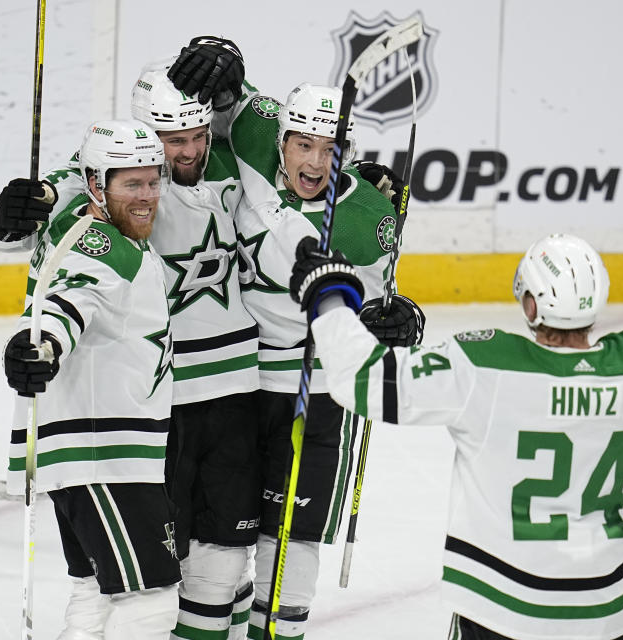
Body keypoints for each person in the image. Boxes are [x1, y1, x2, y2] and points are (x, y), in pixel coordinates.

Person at [283, 232, 623, 640]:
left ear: (530, 304)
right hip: (603, 616)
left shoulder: (482, 365)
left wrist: (329, 296)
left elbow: (361, 382)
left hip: (497, 611)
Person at [0, 44, 261, 640]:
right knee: (149, 595)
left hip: (145, 419)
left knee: (109, 589)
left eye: (196, 134)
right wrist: (10, 217)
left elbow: (293, 159)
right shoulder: (102, 225)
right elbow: (67, 286)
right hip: (110, 436)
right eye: (169, 141)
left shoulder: (223, 162)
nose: (185, 154)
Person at [195, 76, 421, 639]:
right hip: (235, 385)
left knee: (291, 548)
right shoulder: (252, 147)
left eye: (332, 148)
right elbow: (228, 94)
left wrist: (400, 320)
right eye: (304, 145)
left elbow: (373, 308)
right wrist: (222, 61)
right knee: (215, 551)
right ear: (281, 142)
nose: (317, 162)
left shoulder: (370, 218)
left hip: (314, 397)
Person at [2, 120, 180, 639]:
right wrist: (42, 345)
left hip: (97, 446)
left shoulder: (87, 225)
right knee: (149, 598)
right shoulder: (102, 248)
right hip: (103, 450)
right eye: (132, 184)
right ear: (98, 186)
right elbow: (69, 300)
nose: (147, 196)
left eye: (152, 181)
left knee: (95, 590)